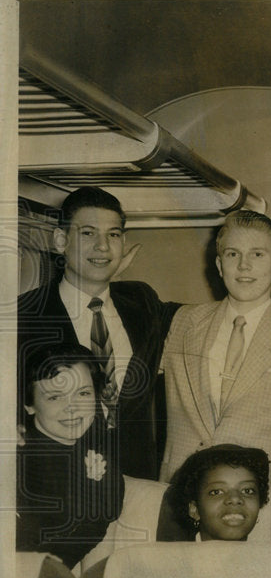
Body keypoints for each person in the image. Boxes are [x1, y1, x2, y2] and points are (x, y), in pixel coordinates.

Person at [17, 186, 180, 479]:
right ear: (60, 240)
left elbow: (197, 318)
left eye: (113, 235)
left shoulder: (141, 300)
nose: (103, 246)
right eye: (88, 233)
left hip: (136, 479)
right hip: (61, 484)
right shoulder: (23, 316)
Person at [159, 209, 271, 481]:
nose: (244, 266)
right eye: (232, 254)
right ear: (219, 265)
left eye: (257, 254)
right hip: (180, 497)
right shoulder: (184, 322)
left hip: (260, 504)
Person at [17, 342, 124, 569]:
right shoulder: (18, 456)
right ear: (29, 405)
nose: (72, 408)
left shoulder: (93, 448)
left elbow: (109, 509)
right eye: (55, 397)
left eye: (83, 393)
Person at [163, 444, 270, 542]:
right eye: (217, 492)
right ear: (194, 509)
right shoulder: (173, 560)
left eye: (247, 491)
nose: (235, 499)